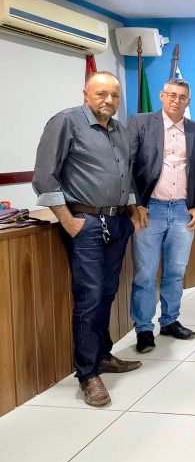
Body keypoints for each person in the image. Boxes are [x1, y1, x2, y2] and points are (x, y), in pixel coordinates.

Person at [32, 71, 141, 407]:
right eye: (101, 93)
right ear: (86, 93)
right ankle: (87, 373)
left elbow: (125, 172)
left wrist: (132, 207)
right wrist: (68, 221)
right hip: (86, 224)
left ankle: (103, 354)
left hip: (117, 222)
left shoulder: (119, 129)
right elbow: (44, 177)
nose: (108, 100)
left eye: (114, 95)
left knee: (107, 292)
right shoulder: (66, 122)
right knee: (90, 296)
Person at [129, 78, 195, 353]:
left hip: (182, 211)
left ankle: (170, 321)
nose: (176, 101)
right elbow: (128, 165)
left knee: (176, 271)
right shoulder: (140, 123)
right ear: (162, 96)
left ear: (189, 101)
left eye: (182, 97)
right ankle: (143, 329)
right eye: (172, 95)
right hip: (149, 209)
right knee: (145, 273)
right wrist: (136, 203)